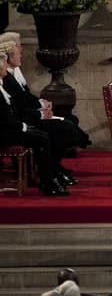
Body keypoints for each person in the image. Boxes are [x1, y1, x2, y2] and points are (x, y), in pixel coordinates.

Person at [0, 37, 72, 196]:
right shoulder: (5, 83)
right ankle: (48, 181)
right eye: (3, 62)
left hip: (13, 126)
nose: (5, 66)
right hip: (6, 133)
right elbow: (8, 115)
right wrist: (25, 126)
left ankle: (51, 176)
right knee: (43, 138)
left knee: (48, 134)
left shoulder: (5, 81)